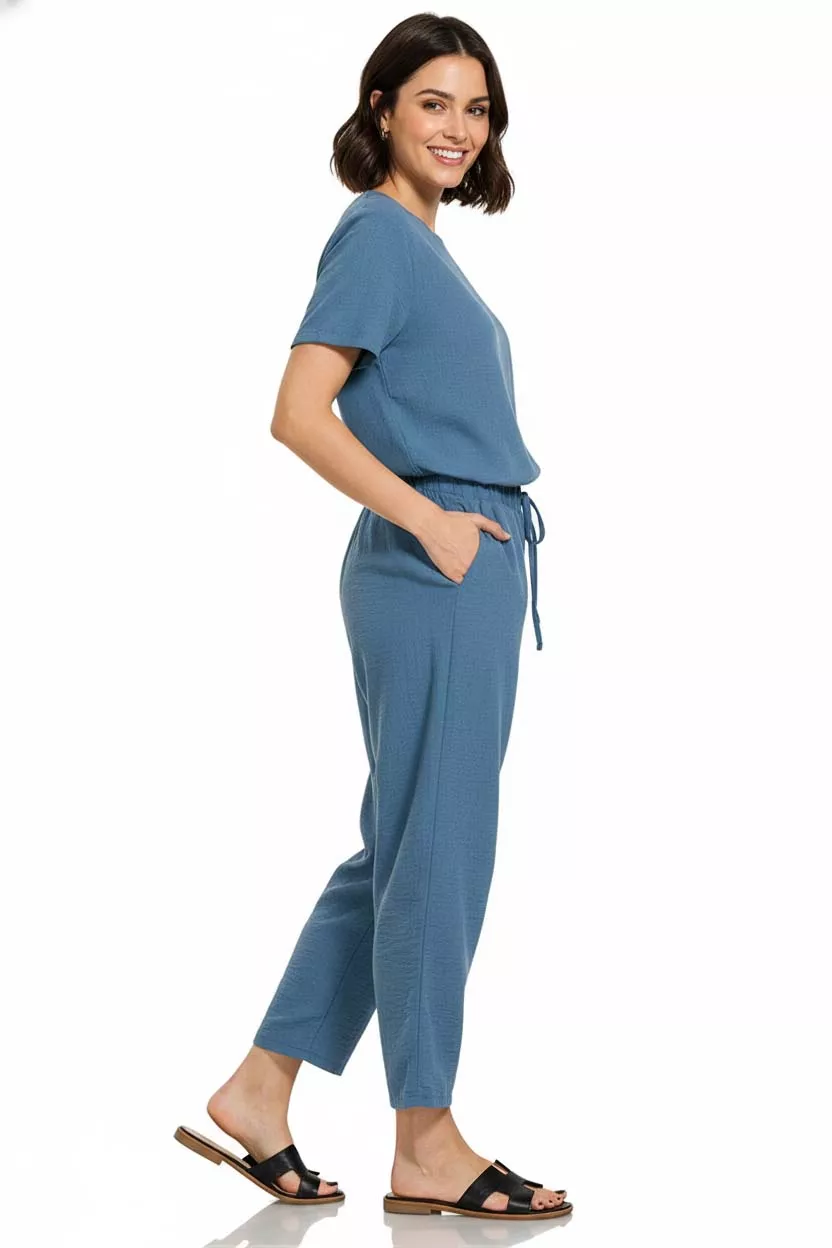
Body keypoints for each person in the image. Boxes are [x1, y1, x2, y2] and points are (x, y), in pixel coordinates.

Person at [175, 13, 572, 1222]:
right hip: (434, 560)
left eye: (477, 109)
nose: (458, 128)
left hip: (453, 559)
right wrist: (435, 524)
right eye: (433, 102)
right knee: (439, 846)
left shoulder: (421, 246)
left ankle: (259, 1087)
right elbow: (298, 412)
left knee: (405, 841)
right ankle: (427, 1142)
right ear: (382, 108)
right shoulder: (379, 235)